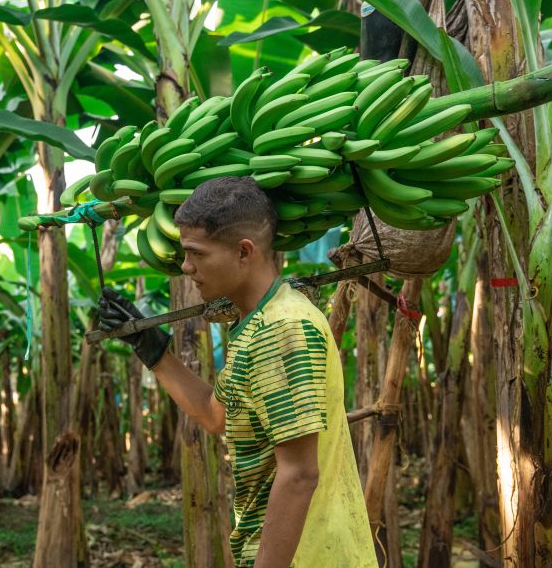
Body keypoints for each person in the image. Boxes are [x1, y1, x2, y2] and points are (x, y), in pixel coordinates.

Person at [99, 177, 376, 567]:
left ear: (244, 252)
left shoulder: (282, 329)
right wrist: (150, 347)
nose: (186, 266)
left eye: (196, 253)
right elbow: (215, 415)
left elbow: (299, 475)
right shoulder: (257, 323)